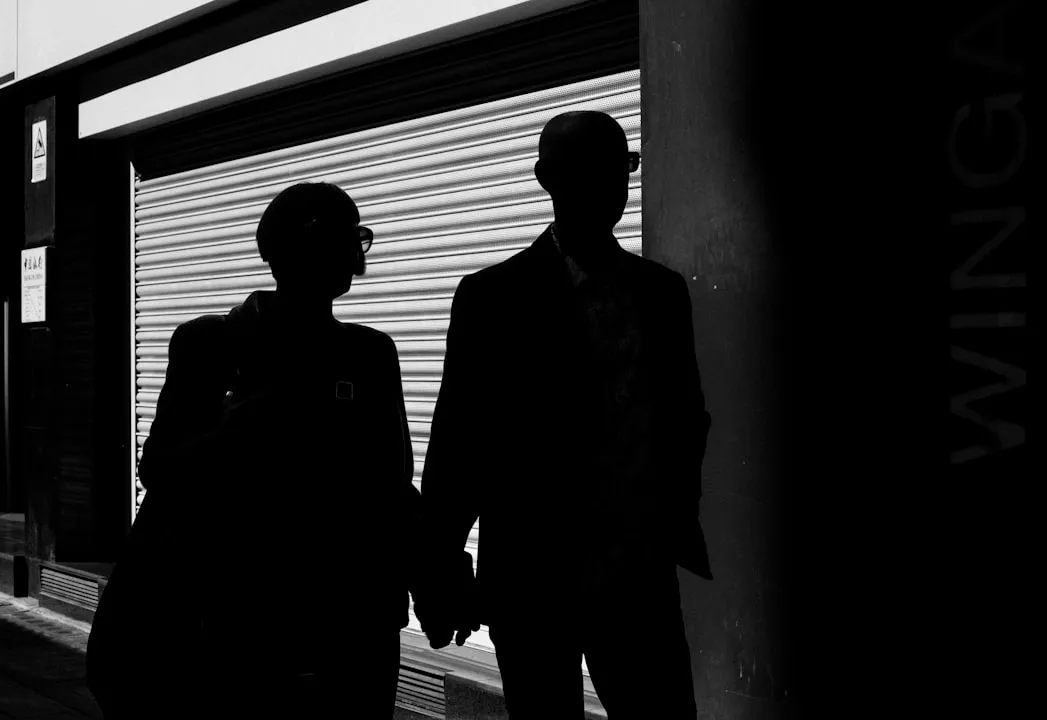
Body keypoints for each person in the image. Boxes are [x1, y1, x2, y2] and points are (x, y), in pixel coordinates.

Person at [416, 111, 712, 719]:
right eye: (591, 170)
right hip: (533, 579)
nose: (611, 185)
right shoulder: (492, 298)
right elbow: (460, 443)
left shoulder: (662, 294)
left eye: (621, 169)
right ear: (546, 178)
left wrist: (671, 520)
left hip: (637, 577)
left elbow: (685, 418)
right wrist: (440, 568)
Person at [88, 182, 418, 719]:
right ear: (287, 250)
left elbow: (390, 484)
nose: (354, 251)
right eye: (340, 236)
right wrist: (237, 428)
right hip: (231, 623)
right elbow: (160, 467)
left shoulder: (370, 354)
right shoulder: (209, 345)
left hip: (351, 625)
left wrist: (427, 567)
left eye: (356, 234)